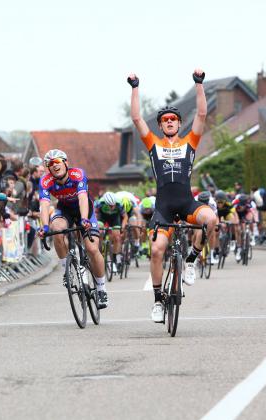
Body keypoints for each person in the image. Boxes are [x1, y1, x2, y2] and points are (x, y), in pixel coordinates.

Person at [127, 69, 217, 322]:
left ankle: (191, 260)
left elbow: (202, 113)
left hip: (187, 203)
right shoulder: (154, 144)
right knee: (157, 251)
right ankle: (158, 301)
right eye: (165, 120)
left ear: (179, 124)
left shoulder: (190, 142)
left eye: (173, 119)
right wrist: (135, 87)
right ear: (160, 125)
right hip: (164, 207)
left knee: (211, 220)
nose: (169, 122)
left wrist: (199, 84)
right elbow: (136, 118)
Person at [36, 149, 109, 308]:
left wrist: (84, 219)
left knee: (92, 248)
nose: (54, 165)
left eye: (57, 161)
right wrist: (45, 226)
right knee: (57, 229)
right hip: (65, 210)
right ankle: (67, 271)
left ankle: (101, 288)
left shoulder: (77, 174)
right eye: (50, 164)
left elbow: (83, 197)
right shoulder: (45, 181)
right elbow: (44, 204)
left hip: (84, 209)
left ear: (65, 163)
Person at [95, 191, 127, 271]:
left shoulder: (119, 204)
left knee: (117, 237)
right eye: (110, 206)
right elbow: (95, 215)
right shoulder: (100, 203)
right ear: (105, 203)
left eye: (113, 205)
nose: (112, 207)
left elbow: (125, 217)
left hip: (115, 219)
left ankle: (116, 256)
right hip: (102, 217)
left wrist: (122, 227)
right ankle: (100, 250)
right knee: (99, 230)